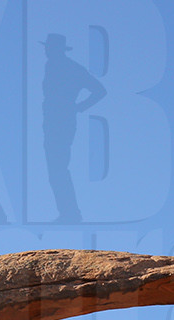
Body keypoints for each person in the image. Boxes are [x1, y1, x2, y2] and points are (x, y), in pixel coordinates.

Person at [40, 33, 106, 224]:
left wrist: (78, 107)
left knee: (58, 167)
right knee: (55, 168)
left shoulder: (71, 68)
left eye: (49, 47)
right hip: (52, 120)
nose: (47, 50)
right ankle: (67, 212)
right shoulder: (51, 66)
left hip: (62, 120)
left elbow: (100, 90)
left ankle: (70, 213)